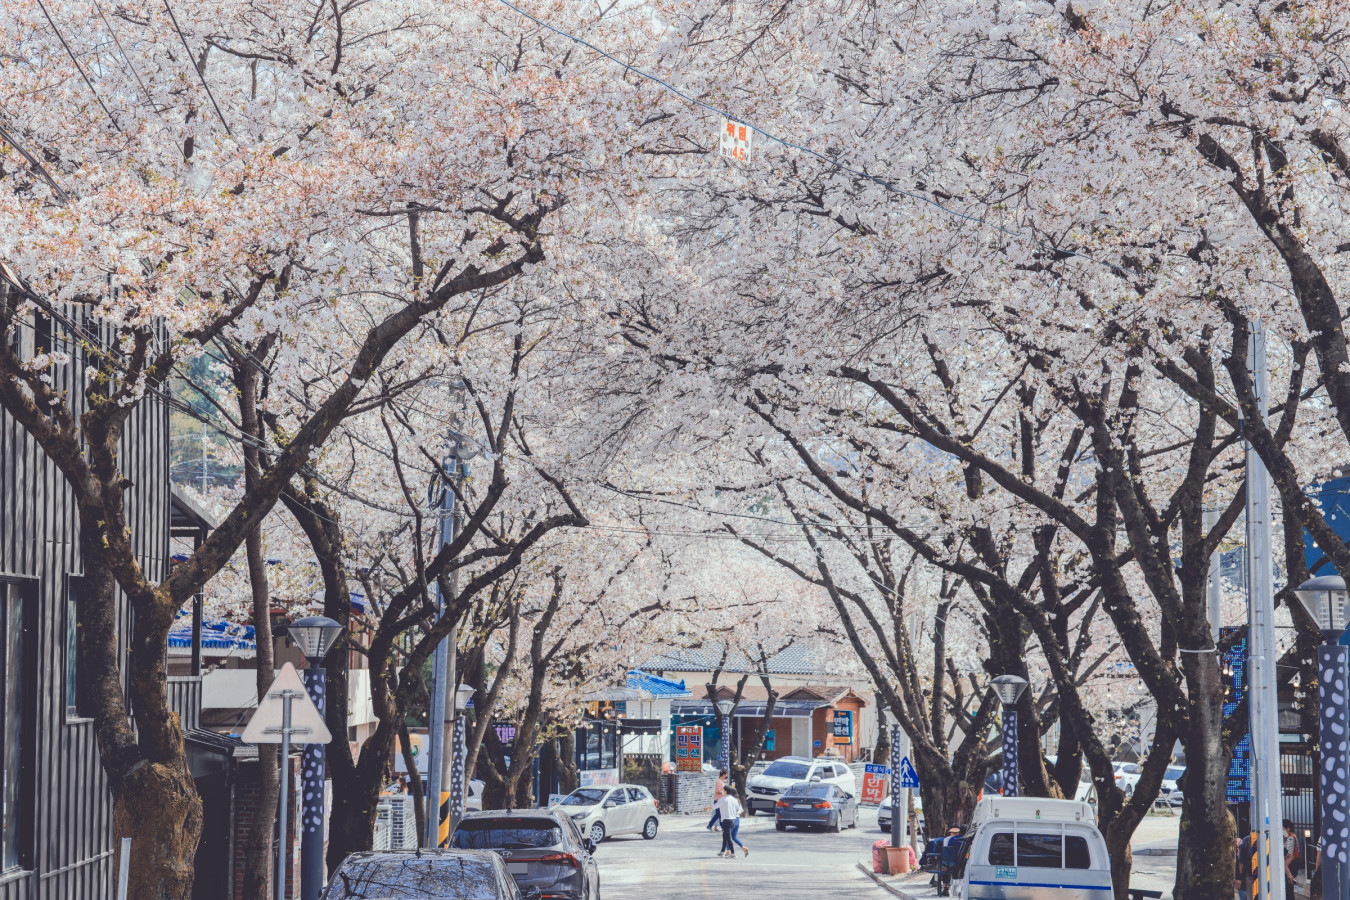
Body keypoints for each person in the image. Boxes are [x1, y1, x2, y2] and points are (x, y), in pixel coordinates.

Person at [715, 786, 748, 858]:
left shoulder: (729, 800)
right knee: (732, 837)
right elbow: (741, 810)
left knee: (728, 836)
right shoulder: (737, 800)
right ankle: (730, 850)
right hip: (737, 820)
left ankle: (730, 852)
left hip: (731, 819)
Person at [937, 825, 964, 897]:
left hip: (949, 864)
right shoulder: (964, 839)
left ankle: (946, 887)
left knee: (944, 870)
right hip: (961, 864)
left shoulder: (948, 840)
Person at [1283, 819, 1301, 899]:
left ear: (1288, 829)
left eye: (1283, 828)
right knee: (1289, 890)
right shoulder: (1294, 837)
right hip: (1293, 864)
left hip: (1290, 865)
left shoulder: (1290, 838)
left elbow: (1289, 855)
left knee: (1288, 890)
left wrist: (1287, 871)